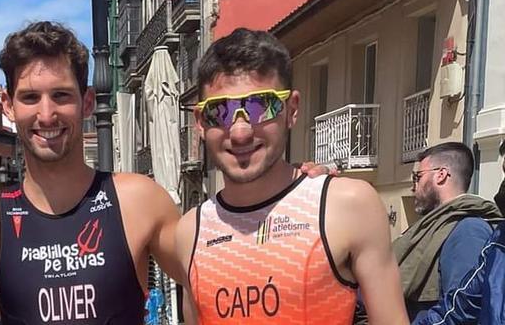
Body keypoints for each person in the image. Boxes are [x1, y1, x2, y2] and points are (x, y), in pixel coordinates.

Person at [0, 21, 182, 324]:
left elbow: (204, 285)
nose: (46, 115)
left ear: (86, 102)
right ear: (8, 105)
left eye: (61, 95)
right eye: (30, 98)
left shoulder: (138, 200)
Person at [173, 28, 409, 324]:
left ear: (291, 109)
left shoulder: (347, 205)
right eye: (219, 111)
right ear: (200, 122)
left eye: (261, 105)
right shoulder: (189, 232)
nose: (241, 131)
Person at [393, 143, 500, 321]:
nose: (414, 186)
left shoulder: (468, 230)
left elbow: (461, 313)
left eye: (417, 177)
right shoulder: (435, 225)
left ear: (441, 175)